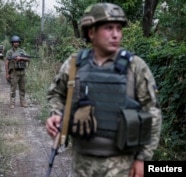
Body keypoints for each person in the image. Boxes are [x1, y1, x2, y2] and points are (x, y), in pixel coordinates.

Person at [46, 3, 162, 177]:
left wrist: (143, 158)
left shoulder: (135, 67)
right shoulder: (74, 64)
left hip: (121, 165)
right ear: (91, 32)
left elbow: (153, 113)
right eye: (109, 28)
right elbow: (57, 94)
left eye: (118, 28)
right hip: (81, 163)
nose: (116, 34)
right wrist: (56, 114)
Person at [5, 35, 29, 109]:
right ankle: (12, 102)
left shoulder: (22, 51)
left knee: (23, 88)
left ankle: (23, 101)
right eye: (15, 42)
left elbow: (28, 59)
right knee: (13, 88)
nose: (16, 43)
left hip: (22, 72)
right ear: (12, 43)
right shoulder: (9, 52)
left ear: (19, 43)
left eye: (17, 42)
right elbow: (6, 62)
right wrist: (7, 74)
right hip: (14, 73)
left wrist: (21, 58)